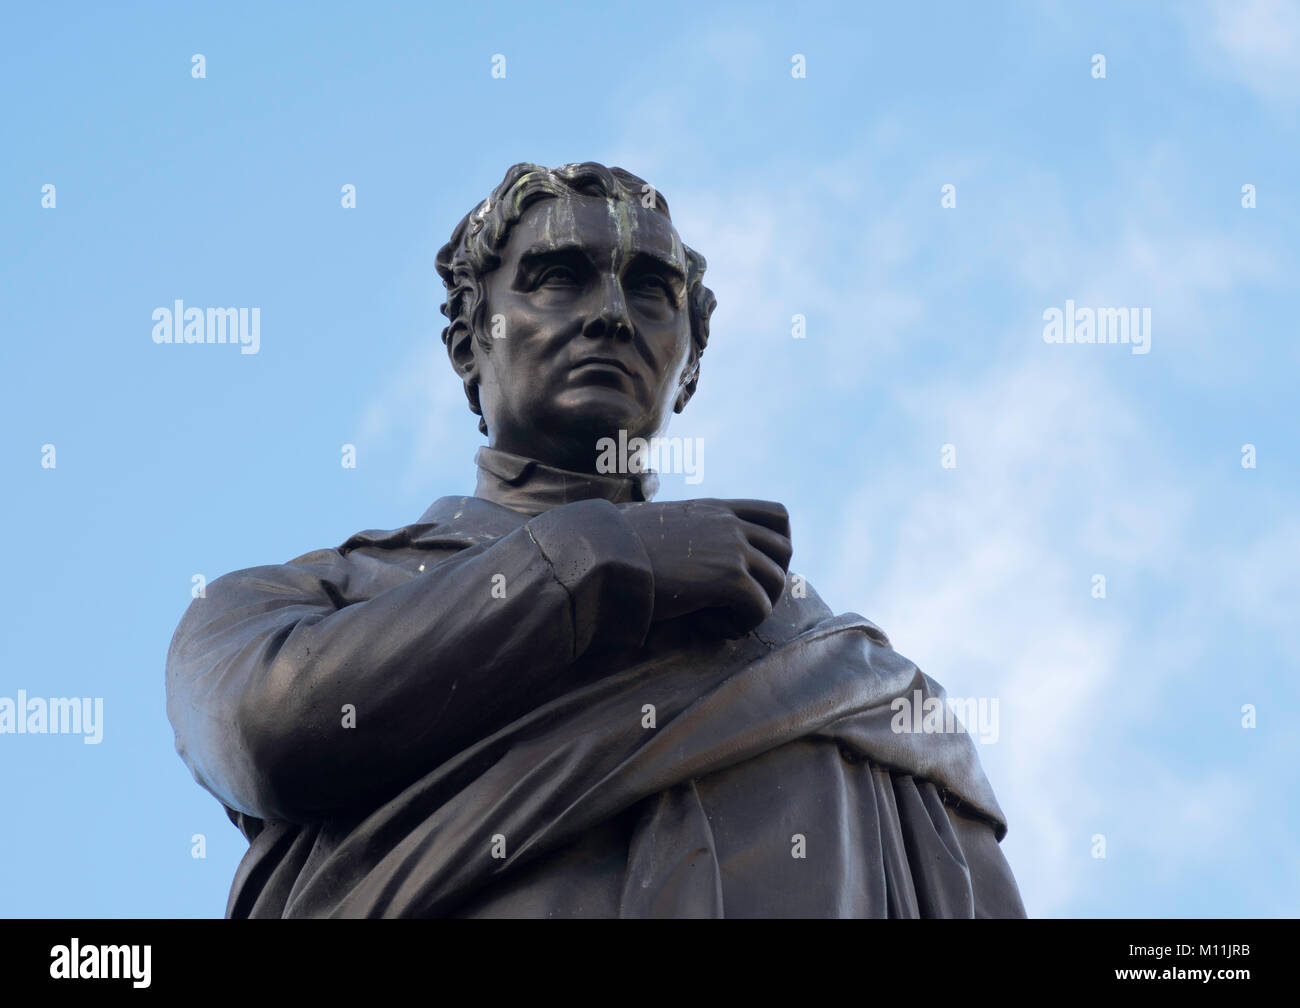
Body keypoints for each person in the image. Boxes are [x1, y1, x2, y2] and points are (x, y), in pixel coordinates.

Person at [165, 161, 1025, 917]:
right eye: (557, 277)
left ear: (688, 365)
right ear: (470, 343)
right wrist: (600, 559)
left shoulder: (857, 685)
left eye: (649, 289)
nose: (612, 313)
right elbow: (266, 735)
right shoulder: (298, 601)